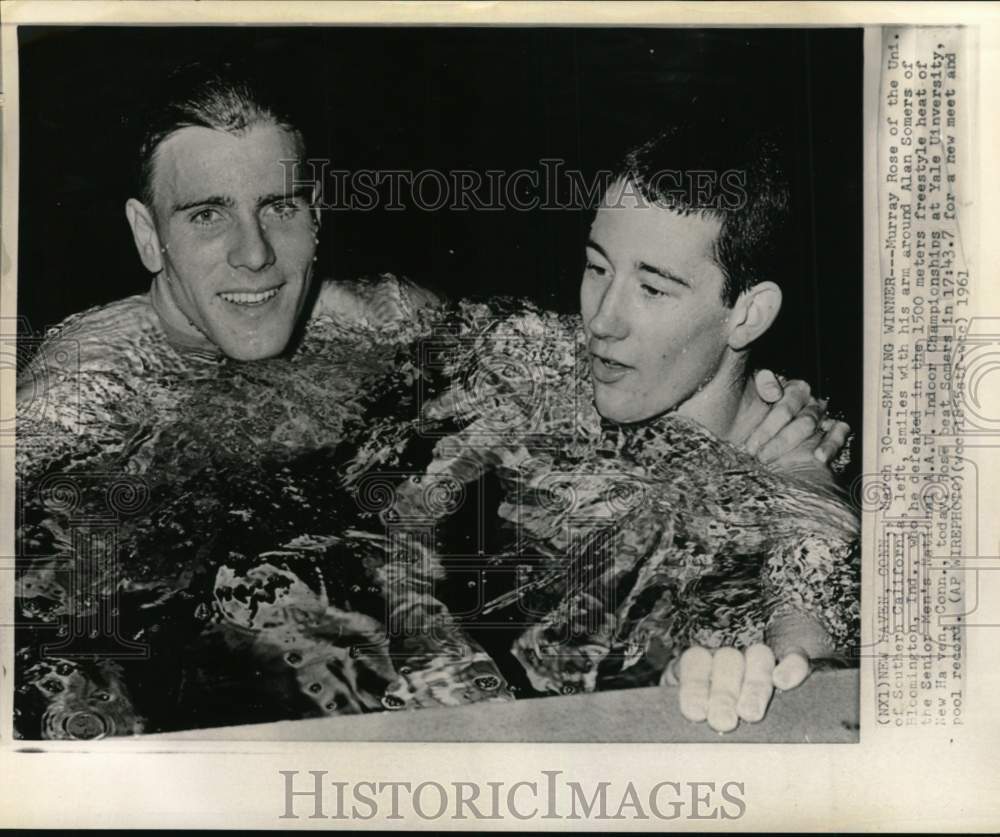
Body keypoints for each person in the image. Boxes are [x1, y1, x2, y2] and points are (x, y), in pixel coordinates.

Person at [16, 61, 845, 483]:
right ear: (146, 236)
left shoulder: (379, 320)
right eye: (206, 216)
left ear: (319, 214)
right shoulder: (86, 386)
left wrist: (755, 429)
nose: (255, 254)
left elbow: (571, 357)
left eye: (281, 206)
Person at [368, 122, 860, 734]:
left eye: (652, 289)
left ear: (747, 314)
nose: (602, 320)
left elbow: (810, 631)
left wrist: (756, 675)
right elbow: (391, 313)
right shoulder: (545, 358)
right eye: (597, 268)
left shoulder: (791, 462)